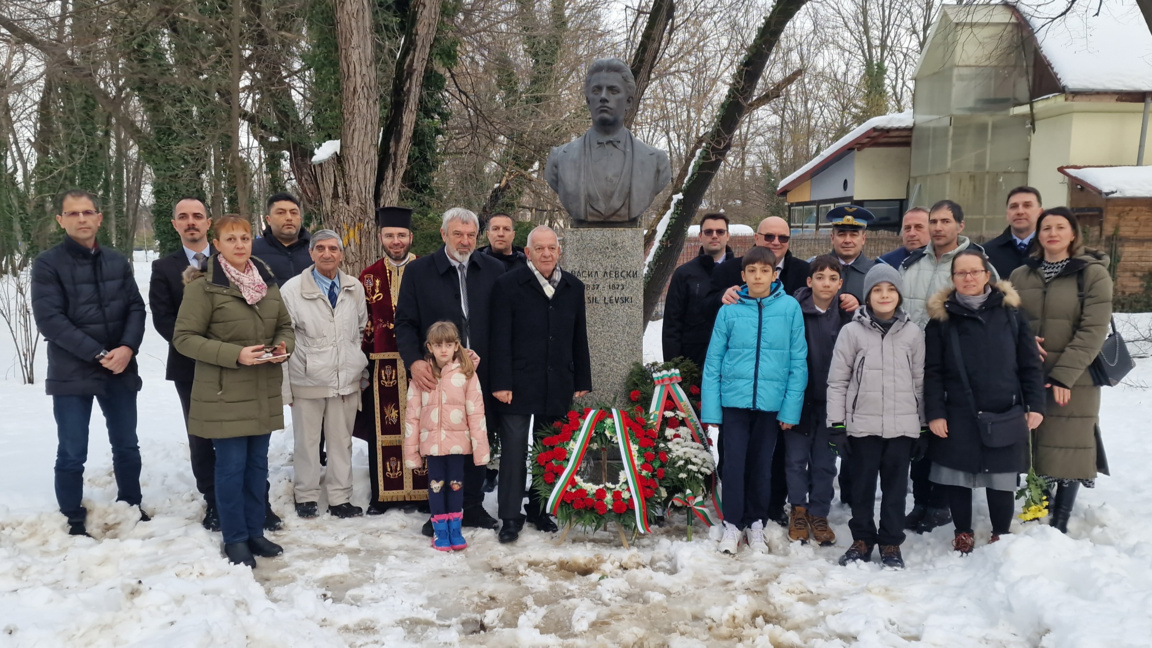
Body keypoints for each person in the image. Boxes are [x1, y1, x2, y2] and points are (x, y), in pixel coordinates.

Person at [173, 215, 294, 567]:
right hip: (224, 392)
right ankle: (235, 536)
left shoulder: (266, 282)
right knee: (230, 468)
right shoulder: (203, 287)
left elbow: (284, 325)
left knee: (257, 467)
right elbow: (184, 339)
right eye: (231, 239)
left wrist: (283, 346)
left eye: (245, 238)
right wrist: (235, 355)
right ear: (218, 243)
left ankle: (255, 530)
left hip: (261, 388)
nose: (240, 245)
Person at [32, 189, 147, 537]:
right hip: (72, 372)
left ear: (99, 218)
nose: (81, 219)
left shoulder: (116, 261)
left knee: (126, 444)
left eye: (88, 212)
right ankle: (71, 517)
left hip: (120, 368)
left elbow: (135, 308)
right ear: (61, 221)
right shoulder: (48, 264)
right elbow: (50, 320)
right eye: (73, 213)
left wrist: (127, 347)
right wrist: (98, 354)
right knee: (72, 449)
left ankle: (131, 504)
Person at [924, 249, 1045, 553]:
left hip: (1004, 407)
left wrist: (1036, 404)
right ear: (952, 279)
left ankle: (1000, 532)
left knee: (1001, 475)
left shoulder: (1011, 313)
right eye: (961, 273)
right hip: (958, 410)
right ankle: (963, 531)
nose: (968, 278)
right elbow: (933, 371)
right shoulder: (940, 320)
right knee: (958, 474)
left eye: (974, 272)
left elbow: (1029, 363)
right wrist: (936, 412)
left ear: (987, 275)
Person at [395, 207, 506, 533]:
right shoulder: (419, 272)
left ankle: (471, 505)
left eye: (471, 235)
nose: (465, 241)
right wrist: (415, 361)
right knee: (443, 444)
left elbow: (504, 324)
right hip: (438, 375)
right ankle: (441, 510)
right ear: (444, 234)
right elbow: (404, 323)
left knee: (475, 438)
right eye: (458, 234)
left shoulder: (494, 268)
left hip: (478, 373)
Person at [1010, 207, 1113, 534]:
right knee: (1036, 440)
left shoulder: (1093, 274)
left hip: (1076, 375)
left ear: (1073, 234)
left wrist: (1063, 376)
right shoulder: (1020, 275)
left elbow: (1092, 330)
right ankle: (1038, 503)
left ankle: (1061, 519)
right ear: (1038, 235)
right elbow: (1010, 321)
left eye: (1060, 227)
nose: (1052, 233)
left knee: (1070, 443)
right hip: (1032, 371)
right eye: (1046, 228)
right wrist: (1025, 341)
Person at [701, 246, 807, 555]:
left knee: (762, 466)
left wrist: (790, 408)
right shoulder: (729, 309)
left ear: (775, 274)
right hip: (734, 402)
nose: (758, 276)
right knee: (733, 464)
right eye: (752, 271)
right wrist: (712, 409)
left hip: (771, 404)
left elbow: (798, 361)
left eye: (764, 271)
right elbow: (714, 360)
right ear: (743, 275)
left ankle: (757, 522)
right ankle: (733, 523)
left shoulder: (789, 308)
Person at [490, 226, 592, 543]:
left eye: (552, 248)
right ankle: (509, 516)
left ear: (559, 251)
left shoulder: (573, 287)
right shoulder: (508, 285)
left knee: (549, 450)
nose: (546, 253)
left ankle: (539, 509)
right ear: (529, 252)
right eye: (540, 248)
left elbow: (579, 336)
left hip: (557, 381)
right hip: (517, 384)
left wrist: (582, 378)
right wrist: (501, 382)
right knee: (514, 451)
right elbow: (499, 338)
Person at [899, 199, 996, 532]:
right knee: (920, 432)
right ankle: (921, 501)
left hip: (956, 366)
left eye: (945, 221)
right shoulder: (911, 264)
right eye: (934, 221)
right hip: (913, 362)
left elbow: (992, 313)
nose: (938, 227)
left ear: (960, 225)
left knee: (946, 435)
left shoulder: (975, 264)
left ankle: (941, 504)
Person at [827, 264, 925, 569]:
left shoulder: (912, 333)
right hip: (862, 426)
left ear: (899, 295)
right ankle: (863, 538)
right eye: (877, 290)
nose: (884, 295)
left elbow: (920, 381)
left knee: (896, 489)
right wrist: (837, 425)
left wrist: (921, 427)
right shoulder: (852, 331)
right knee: (862, 487)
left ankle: (891, 541)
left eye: (890, 289)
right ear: (868, 295)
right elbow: (838, 381)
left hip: (902, 427)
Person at [281, 230, 369, 519]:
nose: (327, 254)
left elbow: (359, 332)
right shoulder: (292, 291)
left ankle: (340, 498)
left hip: (346, 380)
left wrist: (359, 369)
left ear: (342, 254)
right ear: (311, 253)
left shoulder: (354, 287)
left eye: (333, 248)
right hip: (308, 378)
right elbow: (284, 339)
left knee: (341, 441)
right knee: (306, 442)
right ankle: (306, 496)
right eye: (320, 248)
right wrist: (286, 389)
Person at [148, 196, 220, 531]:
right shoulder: (163, 268)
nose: (191, 222)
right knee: (201, 435)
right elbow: (164, 320)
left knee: (242, 431)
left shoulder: (230, 259)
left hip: (235, 362)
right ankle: (214, 499)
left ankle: (254, 496)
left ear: (208, 223)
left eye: (197, 216)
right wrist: (201, 347)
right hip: (190, 365)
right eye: (183, 217)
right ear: (175, 224)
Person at [353, 206, 430, 514]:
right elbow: (362, 324)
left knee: (422, 425)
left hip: (421, 362)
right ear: (380, 237)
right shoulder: (368, 276)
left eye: (401, 235)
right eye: (389, 236)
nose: (396, 241)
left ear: (410, 237)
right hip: (381, 363)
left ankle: (425, 492)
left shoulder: (427, 269)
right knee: (382, 428)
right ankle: (382, 495)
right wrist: (361, 365)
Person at [545, 58, 671, 225]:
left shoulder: (656, 161)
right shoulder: (559, 158)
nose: (603, 97)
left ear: (628, 101)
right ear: (588, 101)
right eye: (597, 91)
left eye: (613, 90)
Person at [403, 321, 492, 551]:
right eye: (438, 344)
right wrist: (412, 452)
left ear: (456, 346)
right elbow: (412, 416)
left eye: (449, 344)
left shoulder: (467, 374)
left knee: (455, 485)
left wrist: (480, 449)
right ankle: (440, 530)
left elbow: (476, 413)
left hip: (457, 446)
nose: (444, 349)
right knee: (436, 485)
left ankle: (455, 528)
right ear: (429, 347)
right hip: (432, 446)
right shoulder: (422, 376)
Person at [786, 255, 852, 546]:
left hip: (832, 403)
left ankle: (819, 512)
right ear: (809, 281)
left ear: (840, 283)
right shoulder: (793, 311)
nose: (826, 283)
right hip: (799, 401)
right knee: (796, 460)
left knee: (825, 462)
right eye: (820, 277)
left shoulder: (849, 314)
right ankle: (798, 510)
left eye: (833, 278)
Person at [663, 212, 733, 370]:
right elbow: (672, 325)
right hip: (693, 363)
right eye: (709, 232)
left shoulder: (741, 272)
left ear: (728, 236)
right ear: (700, 236)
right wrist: (673, 367)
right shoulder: (684, 274)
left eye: (720, 232)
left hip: (732, 364)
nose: (714, 236)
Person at [812, 206, 875, 306]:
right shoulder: (814, 268)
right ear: (832, 238)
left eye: (854, 235)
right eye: (841, 234)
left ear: (863, 239)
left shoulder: (875, 273)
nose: (847, 240)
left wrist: (860, 305)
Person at [252, 192, 312, 283]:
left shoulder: (316, 249)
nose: (289, 218)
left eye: (293, 213)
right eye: (281, 213)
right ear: (269, 220)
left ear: (300, 219)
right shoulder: (252, 251)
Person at [985, 187, 1043, 279]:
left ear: (1040, 212)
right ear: (1007, 213)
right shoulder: (986, 252)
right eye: (1014, 206)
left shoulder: (1050, 249)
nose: (1020, 212)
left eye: (1027, 205)